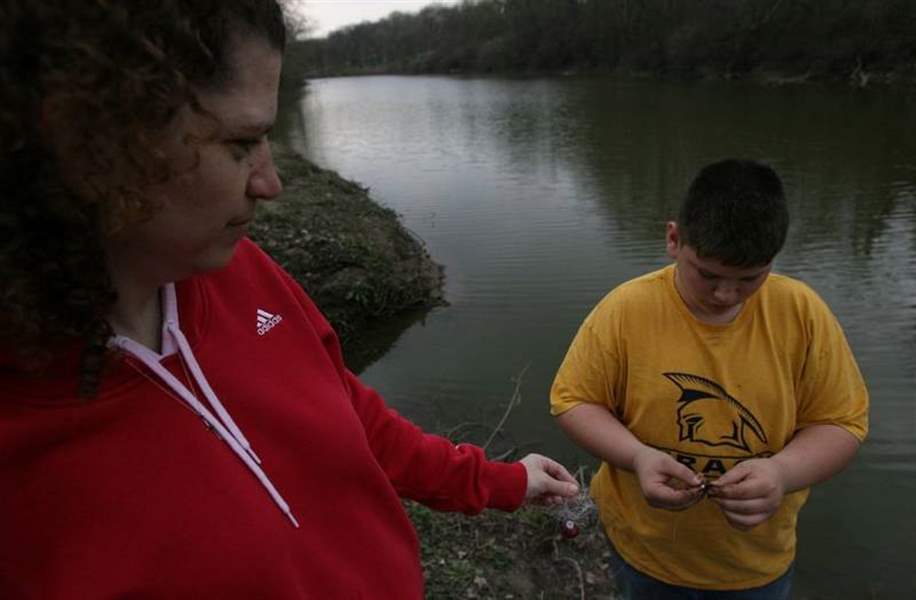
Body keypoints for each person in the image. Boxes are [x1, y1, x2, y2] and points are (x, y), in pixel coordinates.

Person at [0, 1, 579, 597]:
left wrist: (500, 481)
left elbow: (352, 420)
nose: (270, 182)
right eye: (240, 143)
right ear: (91, 140)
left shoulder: (241, 274)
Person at [550, 159, 869, 599]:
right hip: (644, 553)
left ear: (772, 260)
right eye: (709, 274)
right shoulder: (627, 310)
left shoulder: (802, 314)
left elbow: (841, 424)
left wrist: (782, 472)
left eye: (749, 279)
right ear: (674, 239)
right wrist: (638, 457)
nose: (725, 294)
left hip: (755, 566)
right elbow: (574, 401)